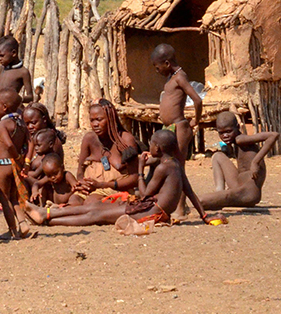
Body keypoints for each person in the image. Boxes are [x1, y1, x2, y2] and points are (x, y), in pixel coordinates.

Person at [24, 129, 207, 227]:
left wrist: (141, 170)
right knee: (96, 208)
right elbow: (189, 191)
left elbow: (144, 194)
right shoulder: (175, 165)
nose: (149, 147)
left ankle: (48, 217)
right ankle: (47, 215)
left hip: (150, 212)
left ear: (157, 149)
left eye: (151, 144)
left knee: (96, 214)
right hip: (151, 209)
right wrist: (204, 215)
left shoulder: (162, 169)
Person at [201, 112, 279, 210]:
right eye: (221, 133)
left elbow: (273, 135)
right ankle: (219, 192)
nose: (225, 136)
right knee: (217, 156)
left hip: (247, 193)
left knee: (201, 201)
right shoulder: (235, 142)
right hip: (239, 185)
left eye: (229, 131)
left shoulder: (241, 139)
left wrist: (255, 162)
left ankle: (219, 197)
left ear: (237, 127)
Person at [76, 100, 141, 197]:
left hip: (116, 191)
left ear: (111, 119)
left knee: (92, 201)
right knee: (74, 200)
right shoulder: (89, 139)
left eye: (99, 119)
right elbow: (80, 172)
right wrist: (82, 183)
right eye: (92, 120)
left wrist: (103, 185)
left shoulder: (125, 140)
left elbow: (135, 178)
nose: (95, 124)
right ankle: (50, 211)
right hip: (90, 190)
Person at [0, 88, 31, 236]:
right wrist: (25, 162)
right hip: (15, 165)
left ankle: (12, 230)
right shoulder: (20, 123)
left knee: (4, 198)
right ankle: (23, 224)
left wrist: (18, 158)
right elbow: (30, 143)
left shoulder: (2, 124)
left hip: (3, 165)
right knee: (14, 198)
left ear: (5, 107)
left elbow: (8, 144)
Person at [152, 43, 204, 159]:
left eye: (157, 67)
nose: (157, 70)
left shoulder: (180, 77)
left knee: (178, 163)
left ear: (167, 63)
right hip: (169, 128)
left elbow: (197, 100)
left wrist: (196, 120)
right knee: (168, 162)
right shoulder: (172, 78)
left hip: (179, 127)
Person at [0, 36, 34, 105]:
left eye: (2, 55)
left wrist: (16, 98)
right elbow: (0, 90)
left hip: (12, 108)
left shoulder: (23, 72)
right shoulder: (3, 69)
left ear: (14, 53)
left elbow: (30, 97)